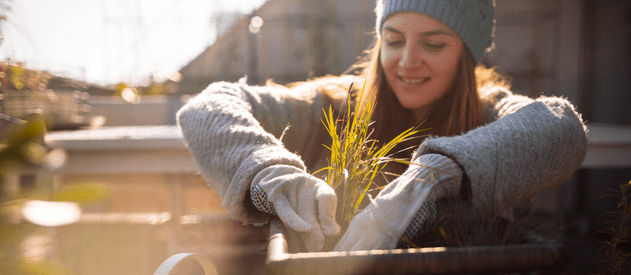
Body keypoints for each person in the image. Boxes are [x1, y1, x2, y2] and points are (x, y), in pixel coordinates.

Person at [177, 0, 587, 254]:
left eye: (434, 43)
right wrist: (273, 173)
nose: (408, 60)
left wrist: (434, 177)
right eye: (394, 40)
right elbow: (206, 108)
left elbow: (563, 126)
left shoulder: (489, 113)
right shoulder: (336, 106)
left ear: (466, 54)